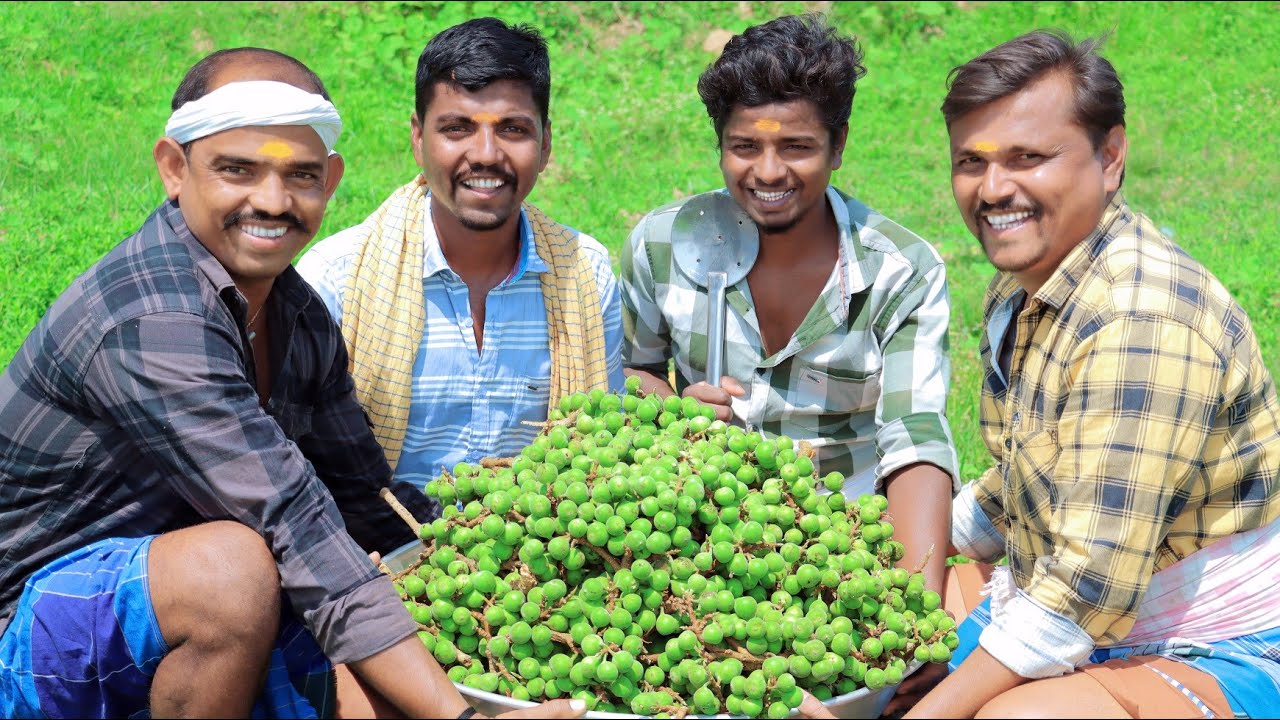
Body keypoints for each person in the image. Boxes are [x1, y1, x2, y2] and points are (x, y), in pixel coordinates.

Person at [0, 47, 582, 720]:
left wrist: (505, 562)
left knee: (389, 688)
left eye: (300, 175)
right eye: (237, 170)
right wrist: (460, 717)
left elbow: (368, 504)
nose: (273, 203)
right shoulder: (149, 315)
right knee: (233, 569)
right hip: (33, 632)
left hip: (199, 617)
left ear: (330, 181)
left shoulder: (296, 314)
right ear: (172, 168)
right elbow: (290, 516)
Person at [905, 30, 1280, 719]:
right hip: (1081, 589)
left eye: (1028, 158)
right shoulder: (1028, 282)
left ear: (1110, 157)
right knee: (900, 618)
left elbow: (1088, 588)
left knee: (1012, 718)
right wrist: (896, 544)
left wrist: (931, 711)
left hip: (1220, 637)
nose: (993, 189)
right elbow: (1030, 476)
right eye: (971, 162)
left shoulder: (1144, 319)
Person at [620, 8, 958, 618]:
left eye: (797, 146)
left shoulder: (902, 270)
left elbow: (916, 439)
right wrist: (670, 408)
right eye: (744, 147)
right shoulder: (661, 245)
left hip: (848, 545)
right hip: (692, 535)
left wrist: (915, 611)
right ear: (720, 144)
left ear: (839, 145)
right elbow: (635, 369)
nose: (768, 172)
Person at [297, 17, 624, 489]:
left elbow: (603, 444)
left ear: (546, 142)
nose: (486, 154)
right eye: (457, 128)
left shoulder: (584, 274)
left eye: (513, 129)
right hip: (377, 546)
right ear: (418, 138)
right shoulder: (338, 277)